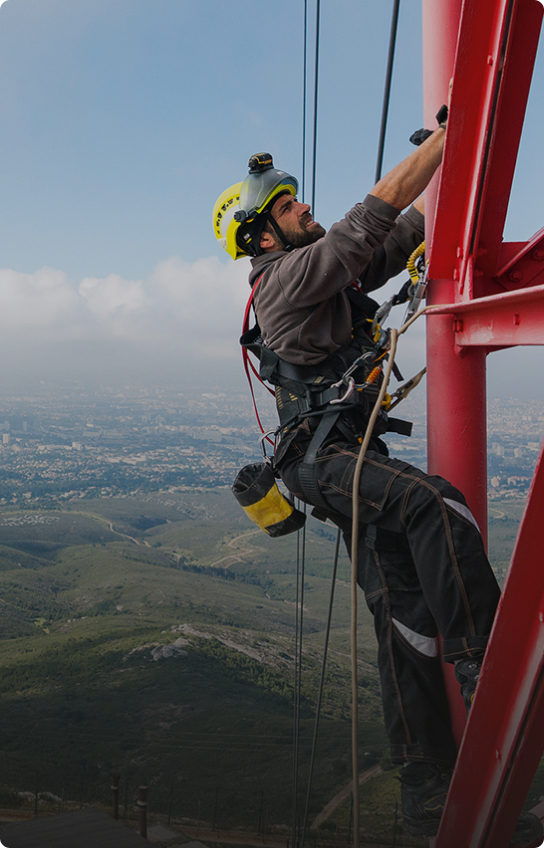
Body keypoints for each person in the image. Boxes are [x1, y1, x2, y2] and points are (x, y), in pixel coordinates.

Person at [212, 132, 543, 842]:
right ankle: (486, 664)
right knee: (437, 504)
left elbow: (401, 229)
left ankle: (425, 787)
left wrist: (435, 173)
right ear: (263, 235)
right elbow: (372, 215)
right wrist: (451, 139)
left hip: (334, 461)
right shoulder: (286, 278)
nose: (305, 208)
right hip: (330, 461)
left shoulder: (324, 276)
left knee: (405, 622)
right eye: (288, 205)